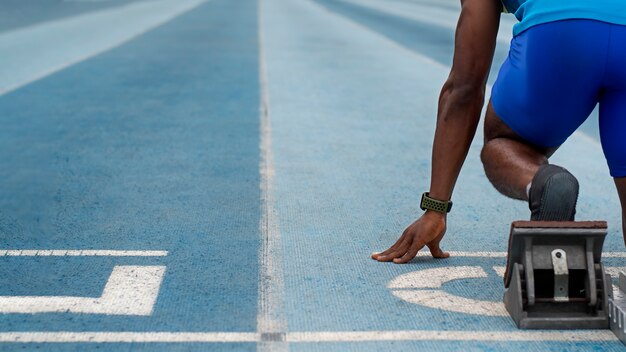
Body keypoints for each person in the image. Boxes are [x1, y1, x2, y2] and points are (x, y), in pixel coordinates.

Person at [372, 0, 626, 264]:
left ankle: (544, 182)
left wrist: (435, 208)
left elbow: (464, 87)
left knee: (504, 142)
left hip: (559, 32)